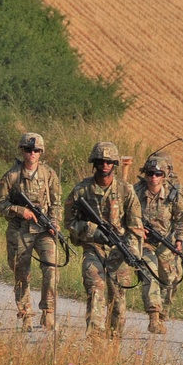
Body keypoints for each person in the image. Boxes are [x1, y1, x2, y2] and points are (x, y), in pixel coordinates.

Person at [64, 141, 144, 339]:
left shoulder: (126, 190)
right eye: (101, 161)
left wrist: (133, 251)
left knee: (117, 297)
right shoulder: (82, 190)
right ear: (94, 162)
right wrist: (92, 231)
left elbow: (135, 226)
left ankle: (114, 342)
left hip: (120, 249)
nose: (105, 165)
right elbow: (69, 221)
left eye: (109, 161)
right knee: (95, 290)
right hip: (93, 248)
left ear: (115, 164)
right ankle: (95, 341)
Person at [0, 133, 63, 332]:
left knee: (51, 269)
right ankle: (25, 314)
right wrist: (19, 210)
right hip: (20, 230)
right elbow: (0, 203)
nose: (32, 153)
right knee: (21, 273)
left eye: (36, 150)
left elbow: (57, 202)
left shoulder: (48, 174)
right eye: (28, 150)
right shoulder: (12, 176)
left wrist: (54, 222)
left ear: (41, 153)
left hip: (44, 230)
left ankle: (48, 312)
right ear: (22, 151)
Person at [134, 156, 183, 334]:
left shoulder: (172, 195)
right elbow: (126, 214)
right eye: (150, 173)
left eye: (158, 174)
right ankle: (154, 317)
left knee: (171, 279)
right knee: (150, 275)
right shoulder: (136, 193)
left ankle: (163, 312)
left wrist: (180, 240)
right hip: (144, 243)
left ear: (164, 176)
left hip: (166, 242)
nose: (153, 178)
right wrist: (137, 229)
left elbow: (181, 219)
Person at [153, 150, 183, 315]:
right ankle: (157, 308)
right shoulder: (147, 186)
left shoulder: (177, 190)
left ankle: (165, 307)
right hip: (154, 237)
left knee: (174, 275)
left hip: (173, 237)